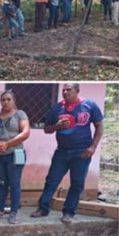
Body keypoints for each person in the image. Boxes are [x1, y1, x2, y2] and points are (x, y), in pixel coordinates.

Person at [32, 83, 104, 224]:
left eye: (68, 89)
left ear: (77, 90)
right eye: (63, 90)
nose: (65, 92)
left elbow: (99, 126)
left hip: (82, 152)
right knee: (51, 180)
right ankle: (43, 208)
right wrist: (57, 126)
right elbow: (47, 129)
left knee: (77, 183)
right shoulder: (56, 108)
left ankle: (69, 212)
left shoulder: (89, 105)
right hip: (62, 151)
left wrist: (93, 147)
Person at [0, 90, 30, 224]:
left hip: (16, 154)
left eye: (8, 99)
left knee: (14, 183)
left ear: (14, 101)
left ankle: (13, 212)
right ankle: (0, 210)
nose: (5, 102)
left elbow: (26, 132)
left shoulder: (20, 114)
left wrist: (8, 144)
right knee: (2, 183)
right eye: (3, 100)